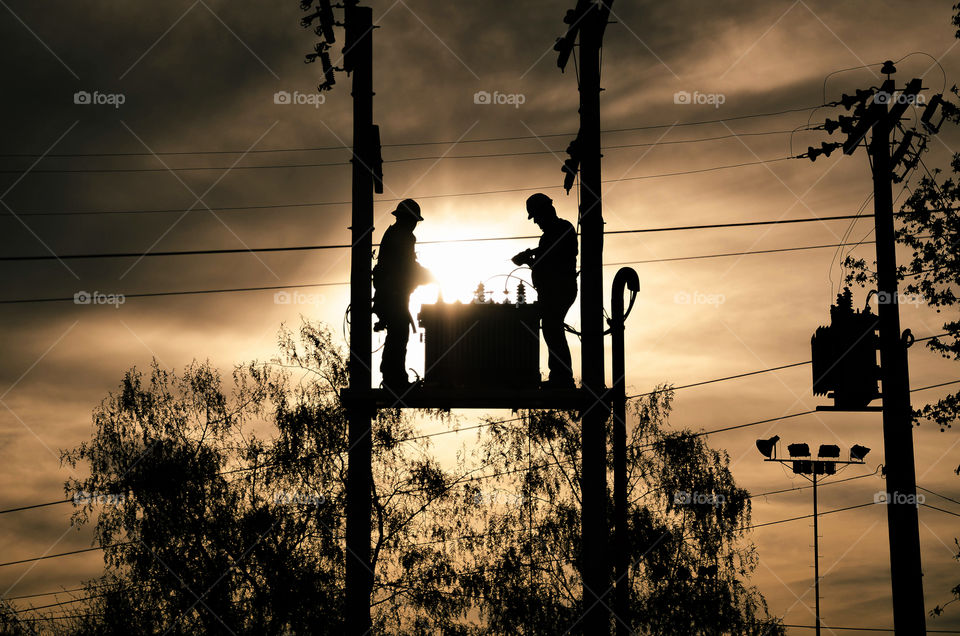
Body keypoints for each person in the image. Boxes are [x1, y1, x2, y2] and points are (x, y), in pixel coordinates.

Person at [511, 193, 578, 389]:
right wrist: (530, 258)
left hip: (560, 290)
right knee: (552, 330)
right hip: (552, 291)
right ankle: (560, 376)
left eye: (537, 218)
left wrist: (529, 256)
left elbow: (551, 258)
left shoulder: (561, 229)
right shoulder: (552, 233)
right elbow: (544, 261)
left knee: (552, 329)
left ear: (545, 212)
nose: (537, 222)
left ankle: (562, 378)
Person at [373, 199, 432, 391]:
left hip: (391, 294)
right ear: (408, 219)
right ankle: (394, 380)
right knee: (398, 335)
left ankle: (394, 378)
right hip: (393, 295)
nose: (415, 224)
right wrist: (428, 276)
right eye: (413, 220)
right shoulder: (403, 236)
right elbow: (406, 267)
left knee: (398, 334)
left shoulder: (395, 234)